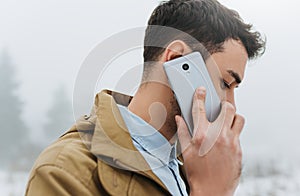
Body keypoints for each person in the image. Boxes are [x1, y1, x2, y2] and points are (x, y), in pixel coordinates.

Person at [26, 0, 265, 195]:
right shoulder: (63, 171)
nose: (231, 105)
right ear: (175, 60)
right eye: (225, 83)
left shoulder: (191, 170)